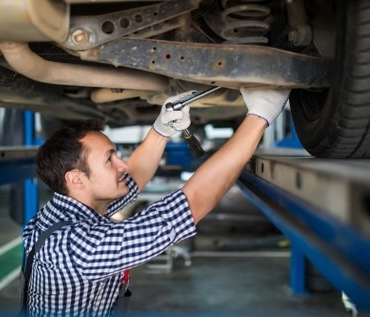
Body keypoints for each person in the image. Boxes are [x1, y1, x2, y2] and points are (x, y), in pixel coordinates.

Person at [22, 87, 290, 317]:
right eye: (109, 159)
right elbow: (192, 202)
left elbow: (133, 178)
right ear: (76, 179)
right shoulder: (82, 249)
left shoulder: (64, 211)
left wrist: (161, 129)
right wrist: (260, 115)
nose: (122, 165)